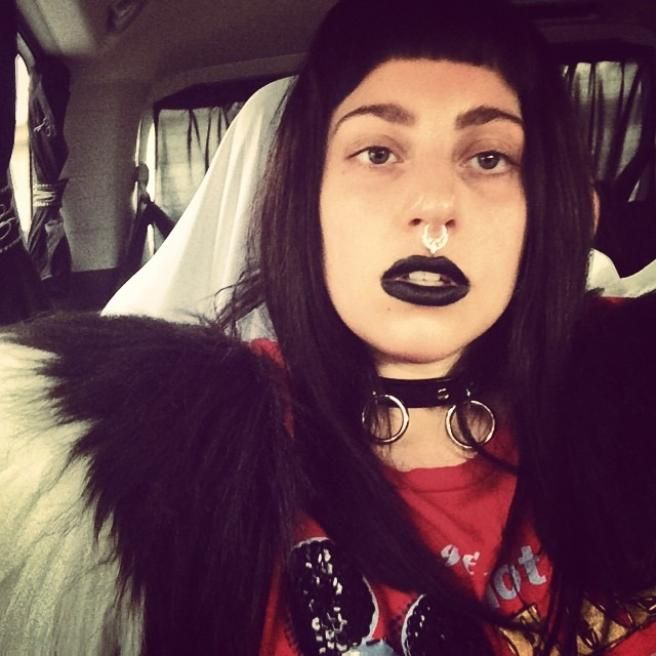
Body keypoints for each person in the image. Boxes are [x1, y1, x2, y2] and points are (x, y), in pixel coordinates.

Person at [1, 0, 656, 654]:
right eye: (378, 152)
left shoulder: (631, 389)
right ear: (305, 198)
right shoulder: (173, 457)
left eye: (488, 158)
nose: (434, 205)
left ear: (552, 206)